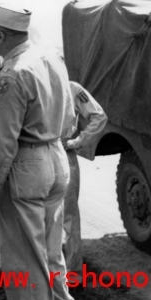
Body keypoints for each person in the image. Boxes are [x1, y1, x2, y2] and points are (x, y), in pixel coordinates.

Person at [0, 3, 76, 300]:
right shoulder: (50, 58)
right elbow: (70, 116)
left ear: (3, 35)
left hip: (27, 168)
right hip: (56, 158)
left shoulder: (13, 73)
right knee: (51, 260)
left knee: (25, 270)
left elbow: (2, 140)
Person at [62, 81, 108, 274]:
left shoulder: (72, 88)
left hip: (63, 151)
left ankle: (72, 273)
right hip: (39, 154)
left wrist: (78, 141)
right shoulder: (32, 83)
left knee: (69, 216)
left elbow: (98, 116)